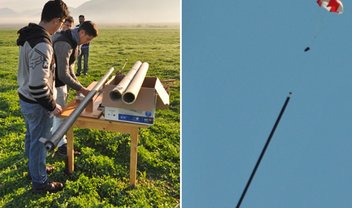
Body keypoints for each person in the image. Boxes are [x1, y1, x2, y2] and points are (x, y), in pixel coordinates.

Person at [16, 0, 69, 193]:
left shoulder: (29, 35)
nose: (62, 26)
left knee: (32, 136)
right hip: (37, 103)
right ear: (57, 20)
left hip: (26, 98)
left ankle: (34, 169)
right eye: (62, 22)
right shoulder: (42, 45)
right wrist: (52, 105)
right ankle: (40, 181)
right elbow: (38, 84)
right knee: (40, 142)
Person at [52, 21, 98, 156]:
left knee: (58, 114)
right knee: (59, 114)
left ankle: (57, 141)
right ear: (81, 32)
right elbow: (62, 73)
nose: (86, 42)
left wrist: (79, 86)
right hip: (53, 83)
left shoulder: (75, 41)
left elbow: (70, 67)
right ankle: (60, 145)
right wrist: (82, 89)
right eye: (87, 39)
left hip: (60, 82)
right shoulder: (64, 43)